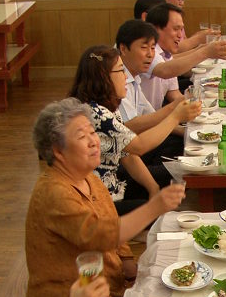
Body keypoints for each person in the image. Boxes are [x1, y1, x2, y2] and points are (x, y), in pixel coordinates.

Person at [25, 98, 185, 297]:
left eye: (92, 132)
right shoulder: (53, 192)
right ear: (58, 150)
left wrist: (128, 262)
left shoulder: (89, 177)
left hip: (105, 289)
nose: (93, 141)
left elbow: (111, 217)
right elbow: (103, 234)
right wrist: (155, 206)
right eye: (82, 136)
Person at [70, 44, 192, 210]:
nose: (125, 76)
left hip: (115, 188)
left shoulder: (108, 109)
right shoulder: (97, 114)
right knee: (159, 212)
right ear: (103, 76)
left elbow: (128, 155)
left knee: (167, 187)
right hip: (98, 202)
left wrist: (152, 188)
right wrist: (175, 115)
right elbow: (139, 146)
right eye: (121, 71)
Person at [140, 2, 226, 109]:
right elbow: (165, 71)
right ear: (155, 29)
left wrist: (201, 105)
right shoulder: (149, 50)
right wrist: (205, 52)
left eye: (181, 29)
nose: (180, 35)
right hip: (145, 121)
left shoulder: (165, 54)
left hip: (156, 117)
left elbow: (174, 94)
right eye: (176, 29)